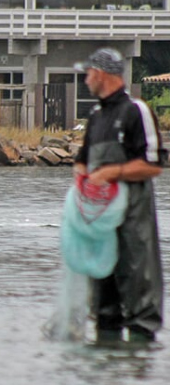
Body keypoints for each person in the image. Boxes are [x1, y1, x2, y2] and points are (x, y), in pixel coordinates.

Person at [73, 47, 165, 343]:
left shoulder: (136, 110)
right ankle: (106, 368)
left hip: (134, 224)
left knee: (140, 303)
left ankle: (136, 368)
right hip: (100, 226)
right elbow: (82, 160)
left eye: (87, 74)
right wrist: (82, 177)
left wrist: (111, 173)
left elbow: (153, 166)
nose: (86, 80)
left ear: (100, 74)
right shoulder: (96, 115)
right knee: (104, 306)